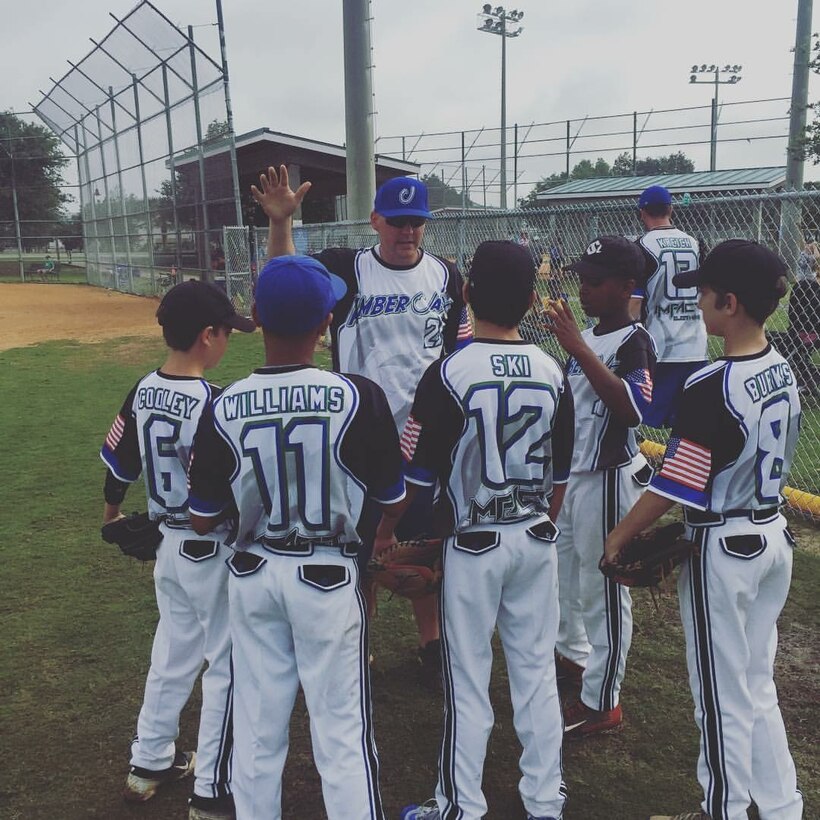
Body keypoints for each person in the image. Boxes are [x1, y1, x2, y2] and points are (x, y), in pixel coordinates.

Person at [188, 255, 406, 820]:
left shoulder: (222, 404)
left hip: (253, 575)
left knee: (258, 729)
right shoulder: (360, 396)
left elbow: (203, 518)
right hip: (330, 579)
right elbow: (393, 499)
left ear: (256, 316)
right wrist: (380, 536)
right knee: (341, 733)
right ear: (327, 321)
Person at [603, 240, 804, 820]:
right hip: (771, 538)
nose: (699, 301)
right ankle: (780, 806)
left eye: (707, 292)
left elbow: (676, 485)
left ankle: (724, 810)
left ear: (731, 303)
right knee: (753, 683)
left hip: (724, 549)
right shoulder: (784, 365)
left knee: (718, 697)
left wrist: (617, 536)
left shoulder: (711, 383)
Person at [251, 166, 472, 689]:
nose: (407, 232)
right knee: (360, 543)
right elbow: (284, 289)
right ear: (375, 220)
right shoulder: (346, 268)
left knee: (422, 545)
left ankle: (433, 644)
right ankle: (362, 648)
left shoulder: (445, 275)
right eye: (396, 221)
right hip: (357, 432)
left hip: (424, 434)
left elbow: (460, 350)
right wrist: (281, 223)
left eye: (416, 222)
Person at [394, 240, 575, 820]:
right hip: (535, 535)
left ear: (467, 292)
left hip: (471, 544)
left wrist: (400, 540)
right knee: (535, 673)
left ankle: (459, 806)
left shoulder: (447, 372)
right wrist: (541, 523)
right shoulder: (553, 370)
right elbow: (561, 475)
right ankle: (545, 801)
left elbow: (415, 477)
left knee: (467, 679)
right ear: (529, 300)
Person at [99, 280, 256, 819]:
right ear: (208, 335)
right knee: (227, 664)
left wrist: (112, 515)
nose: (228, 341)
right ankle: (212, 789)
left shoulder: (144, 388)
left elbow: (119, 460)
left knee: (172, 652)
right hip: (209, 548)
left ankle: (148, 762)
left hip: (167, 544)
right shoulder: (215, 403)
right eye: (226, 332)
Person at [548, 236, 657, 738]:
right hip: (574, 478)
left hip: (610, 480)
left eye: (595, 281)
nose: (584, 288)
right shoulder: (590, 334)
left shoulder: (635, 340)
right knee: (566, 581)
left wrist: (576, 348)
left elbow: (635, 410)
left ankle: (602, 702)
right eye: (582, 279)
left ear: (627, 287)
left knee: (604, 591)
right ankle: (574, 659)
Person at [633, 184, 706, 428]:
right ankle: (678, 463)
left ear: (642, 212)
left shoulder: (642, 245)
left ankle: (643, 463)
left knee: (641, 418)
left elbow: (634, 305)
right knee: (690, 426)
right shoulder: (695, 243)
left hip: (661, 345)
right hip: (696, 343)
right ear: (671, 210)